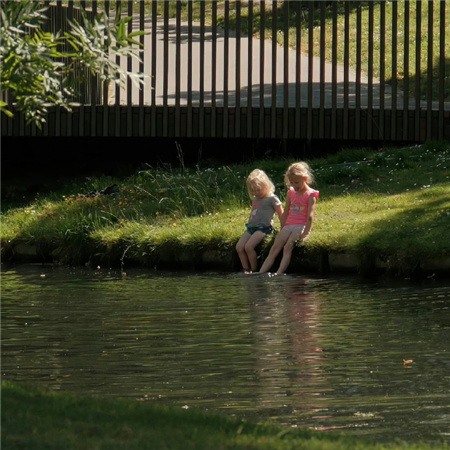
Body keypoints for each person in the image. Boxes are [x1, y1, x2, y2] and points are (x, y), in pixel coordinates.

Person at [257, 161, 319, 275]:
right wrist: (283, 227)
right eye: (291, 183)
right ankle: (261, 273)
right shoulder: (291, 192)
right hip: (289, 225)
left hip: (300, 225)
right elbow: (285, 212)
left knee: (287, 247)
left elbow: (310, 216)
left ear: (305, 179)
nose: (294, 185)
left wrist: (306, 233)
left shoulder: (311, 195)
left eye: (297, 182)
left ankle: (279, 273)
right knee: (274, 248)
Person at [236, 169, 284, 273]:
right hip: (251, 228)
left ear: (266, 185)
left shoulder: (272, 198)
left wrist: (283, 229)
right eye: (253, 191)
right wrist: (250, 223)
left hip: (264, 228)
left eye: (258, 190)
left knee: (249, 247)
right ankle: (246, 269)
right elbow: (253, 212)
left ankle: (254, 270)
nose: (256, 193)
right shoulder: (256, 199)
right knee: (239, 247)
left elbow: (281, 214)